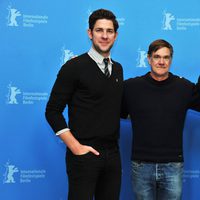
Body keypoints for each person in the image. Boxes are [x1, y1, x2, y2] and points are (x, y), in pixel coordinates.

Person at [45, 9, 123, 200]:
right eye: (99, 30)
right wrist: (76, 147)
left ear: (115, 35)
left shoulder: (118, 69)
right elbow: (52, 111)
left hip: (113, 155)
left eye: (109, 31)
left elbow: (113, 107)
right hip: (83, 155)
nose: (104, 36)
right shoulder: (73, 67)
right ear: (90, 33)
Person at [121, 39, 200, 200]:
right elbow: (112, 109)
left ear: (171, 60)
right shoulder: (131, 87)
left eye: (166, 57)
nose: (162, 62)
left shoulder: (184, 87)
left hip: (173, 165)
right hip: (141, 165)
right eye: (157, 57)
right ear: (148, 59)